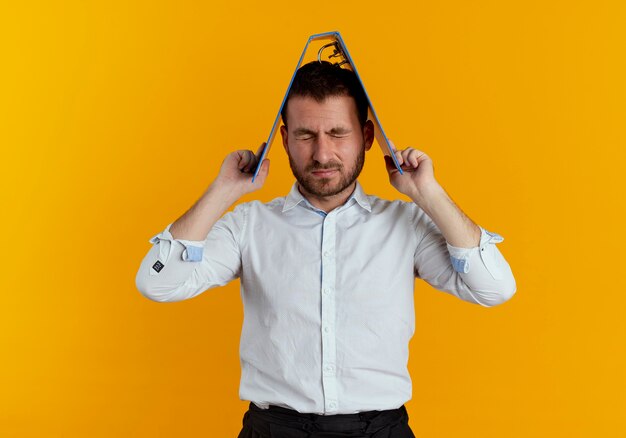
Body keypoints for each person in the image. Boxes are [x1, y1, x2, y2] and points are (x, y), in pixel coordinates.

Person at [135, 60, 517, 437]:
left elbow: (494, 288)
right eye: (305, 135)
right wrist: (223, 192)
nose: (321, 154)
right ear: (284, 139)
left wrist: (428, 194)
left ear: (366, 137)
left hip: (380, 429)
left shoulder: (406, 225)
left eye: (337, 133)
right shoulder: (248, 225)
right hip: (274, 430)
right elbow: (158, 283)